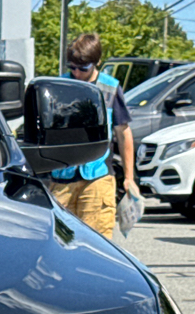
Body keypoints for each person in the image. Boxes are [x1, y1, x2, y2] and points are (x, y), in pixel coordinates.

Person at [49, 33, 138, 237]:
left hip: (97, 176)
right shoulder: (59, 86)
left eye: (83, 68)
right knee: (59, 240)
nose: (77, 73)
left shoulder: (110, 88)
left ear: (97, 62)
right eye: (72, 67)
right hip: (63, 176)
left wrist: (129, 177)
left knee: (95, 240)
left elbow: (123, 133)